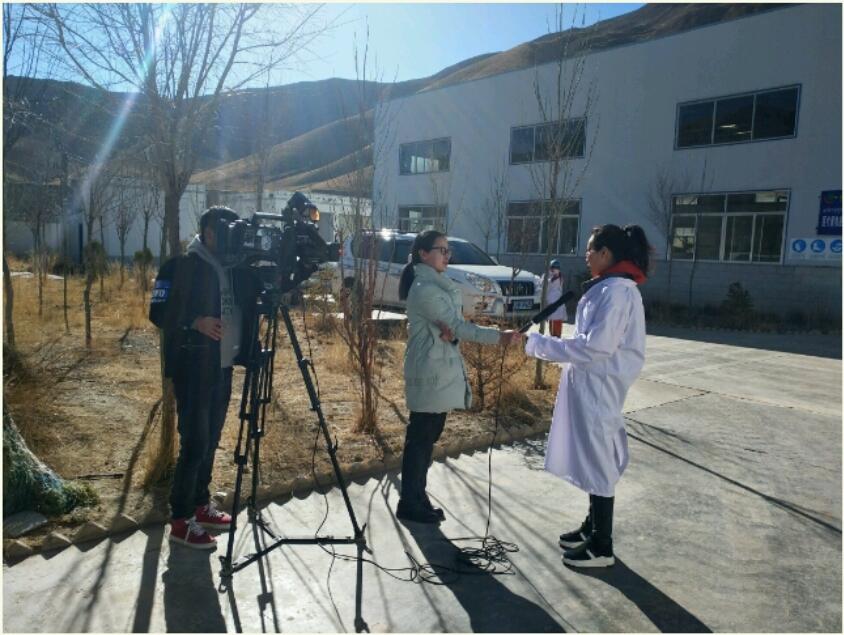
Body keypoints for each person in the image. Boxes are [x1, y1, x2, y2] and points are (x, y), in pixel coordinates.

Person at [522, 224, 651, 568]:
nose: (586, 255)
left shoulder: (617, 292)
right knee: (593, 455)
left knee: (599, 459)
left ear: (606, 253)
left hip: (600, 385)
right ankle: (592, 526)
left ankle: (601, 545)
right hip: (592, 382)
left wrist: (537, 344)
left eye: (591, 249)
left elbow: (596, 347)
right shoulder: (609, 287)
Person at [149, 206, 259, 549]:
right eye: (225, 232)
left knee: (210, 440)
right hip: (193, 370)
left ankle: (200, 503)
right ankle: (181, 519)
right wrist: (194, 322)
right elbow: (157, 311)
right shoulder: (179, 266)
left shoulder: (233, 268)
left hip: (222, 368)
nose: (231, 239)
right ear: (209, 233)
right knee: (195, 443)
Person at [397, 229, 521, 524]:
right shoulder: (426, 289)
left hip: (436, 367)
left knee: (427, 437)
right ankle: (409, 502)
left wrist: (450, 334)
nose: (447, 255)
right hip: (429, 370)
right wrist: (498, 337)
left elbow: (449, 328)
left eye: (448, 250)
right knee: (420, 438)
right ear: (423, 254)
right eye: (441, 250)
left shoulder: (435, 284)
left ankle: (417, 497)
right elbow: (457, 325)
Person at [541, 259, 568, 337]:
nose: (555, 270)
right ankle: (553, 337)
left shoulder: (560, 276)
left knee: (557, 322)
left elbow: (559, 288)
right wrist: (551, 280)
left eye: (556, 268)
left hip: (559, 302)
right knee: (552, 322)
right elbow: (543, 285)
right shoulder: (546, 276)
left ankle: (557, 337)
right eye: (553, 267)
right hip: (551, 302)